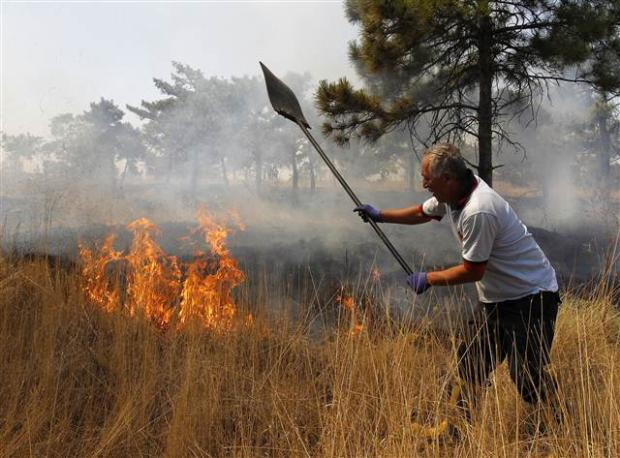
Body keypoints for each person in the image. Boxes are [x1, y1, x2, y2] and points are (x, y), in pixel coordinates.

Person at [354, 143, 561, 422]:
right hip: (497, 299)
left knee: (526, 375)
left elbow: (472, 271)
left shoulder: (479, 210)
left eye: (428, 178)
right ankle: (459, 429)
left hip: (532, 297)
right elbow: (421, 212)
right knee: (471, 365)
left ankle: (560, 421)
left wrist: (429, 278)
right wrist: (380, 215)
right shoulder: (453, 193)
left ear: (448, 179)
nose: (423, 183)